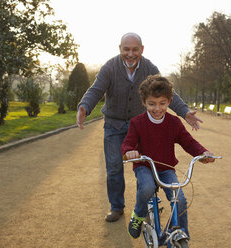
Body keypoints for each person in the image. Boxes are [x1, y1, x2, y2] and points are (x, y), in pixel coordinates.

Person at [76, 32, 203, 222]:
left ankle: (143, 207)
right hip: (114, 125)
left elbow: (165, 90)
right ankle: (117, 207)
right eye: (126, 49)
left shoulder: (149, 68)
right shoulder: (110, 67)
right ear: (120, 49)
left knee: (144, 165)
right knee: (114, 168)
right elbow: (96, 89)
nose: (130, 54)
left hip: (139, 126)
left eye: (135, 49)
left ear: (141, 50)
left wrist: (184, 112)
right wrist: (84, 106)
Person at [121, 74, 215, 239]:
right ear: (144, 102)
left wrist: (203, 153)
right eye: (151, 104)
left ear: (169, 102)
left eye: (162, 103)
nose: (157, 109)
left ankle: (180, 233)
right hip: (144, 167)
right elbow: (127, 144)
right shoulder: (137, 123)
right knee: (148, 188)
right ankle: (138, 215)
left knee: (180, 200)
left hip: (166, 168)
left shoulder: (174, 123)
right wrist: (129, 151)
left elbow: (189, 143)